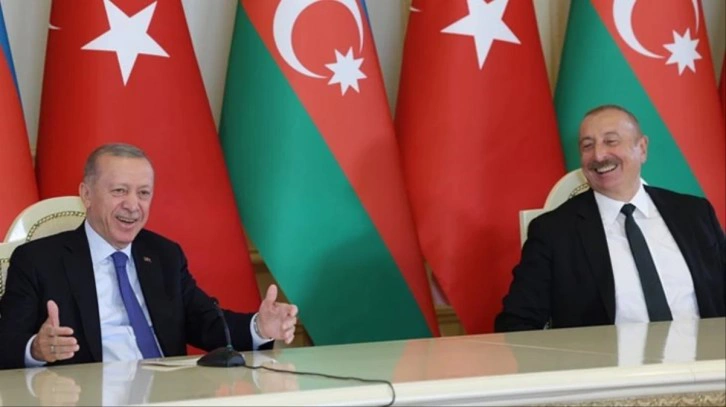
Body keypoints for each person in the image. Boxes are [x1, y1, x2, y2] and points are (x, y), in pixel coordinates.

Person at [0, 143, 298, 369]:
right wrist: (35, 349)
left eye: (143, 193)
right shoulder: (38, 260)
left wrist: (259, 327)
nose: (133, 205)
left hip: (167, 393)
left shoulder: (164, 254)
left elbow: (206, 322)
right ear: (87, 195)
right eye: (119, 191)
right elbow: (6, 345)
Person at [495, 105, 725, 332]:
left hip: (707, 353)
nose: (599, 155)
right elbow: (516, 324)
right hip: (605, 357)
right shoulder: (553, 231)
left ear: (642, 148)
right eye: (587, 146)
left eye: (611, 141)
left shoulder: (694, 214)